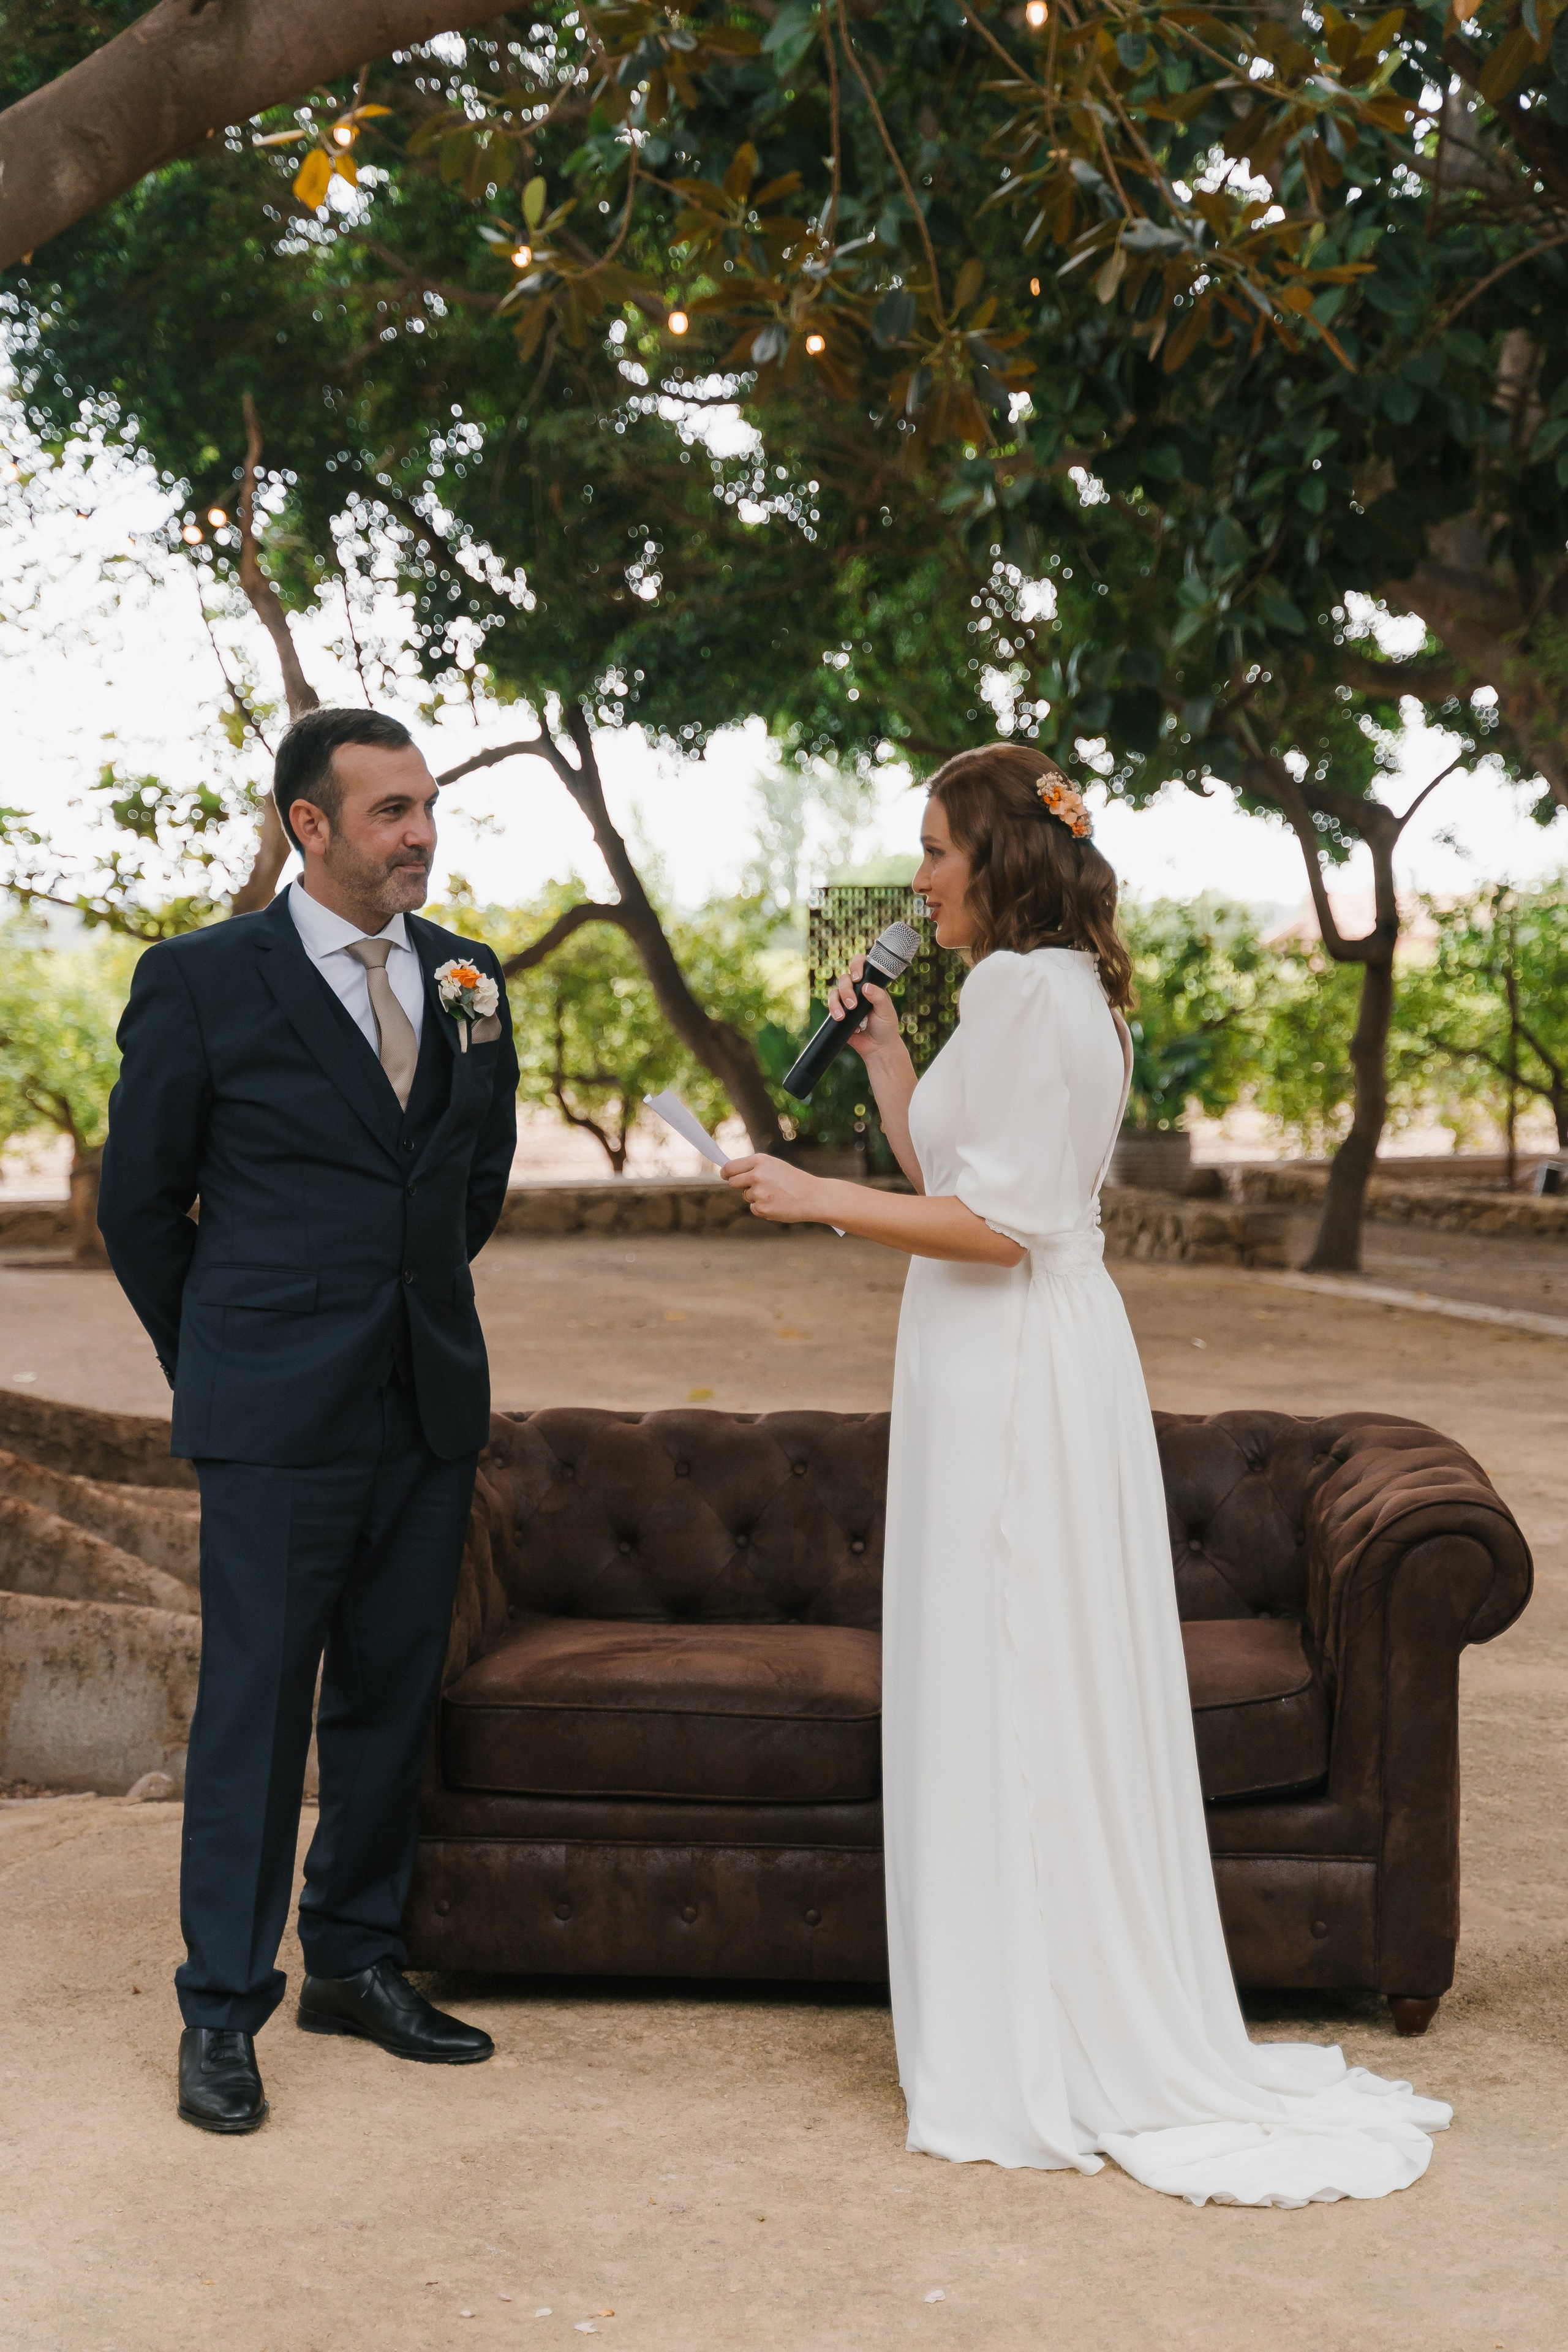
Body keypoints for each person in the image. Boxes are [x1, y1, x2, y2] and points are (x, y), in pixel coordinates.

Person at [721, 743, 1450, 2206]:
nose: (916, 877)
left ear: (996, 856)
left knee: (1009, 1673)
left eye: (932, 849)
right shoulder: (1050, 993)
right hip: (1018, 1357)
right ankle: (1030, 1998)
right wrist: (877, 1060)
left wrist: (810, 1199)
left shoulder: (1017, 989)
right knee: (1014, 1675)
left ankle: (1031, 2032)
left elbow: (997, 1228)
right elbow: (960, 1170)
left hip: (1010, 1370)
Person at [98, 707, 519, 2135]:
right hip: (273, 1411)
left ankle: (354, 1959)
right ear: (310, 826)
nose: (420, 833)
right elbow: (140, 1207)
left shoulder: (469, 971)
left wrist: (415, 1321)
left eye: (425, 807)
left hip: (426, 1399)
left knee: (392, 1696)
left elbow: (474, 1179)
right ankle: (222, 2006)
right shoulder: (204, 981)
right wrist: (221, 1355)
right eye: (390, 811)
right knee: (257, 1712)